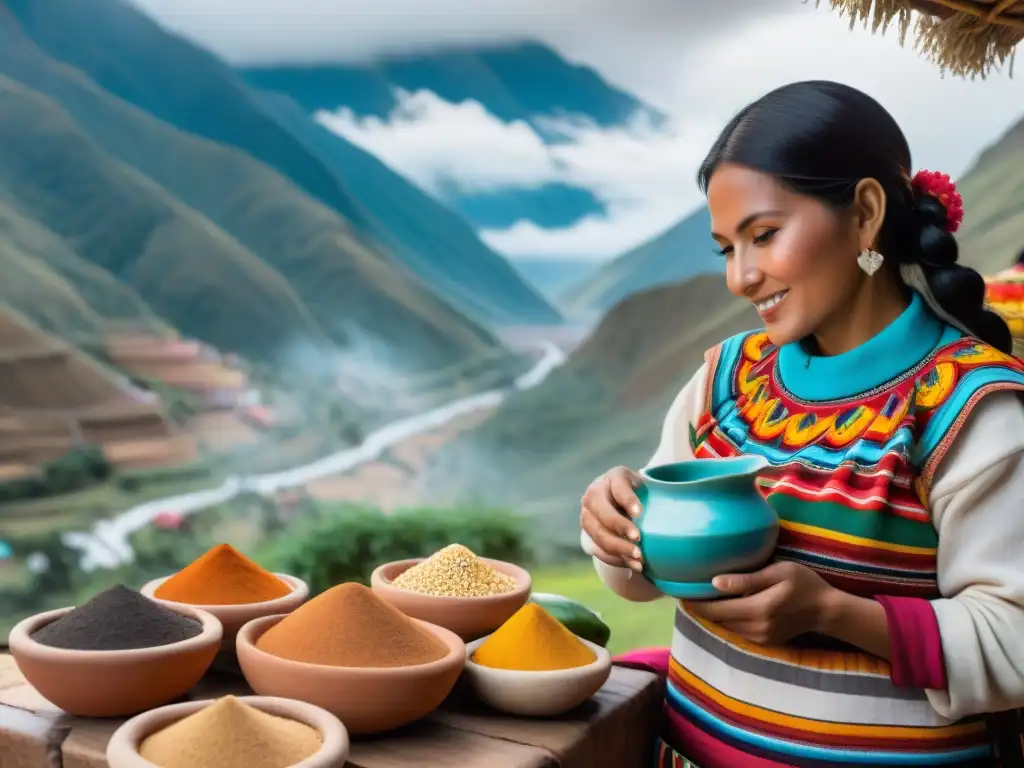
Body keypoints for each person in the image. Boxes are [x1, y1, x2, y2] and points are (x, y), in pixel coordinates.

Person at [579, 80, 1024, 768]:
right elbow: (640, 579)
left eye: (764, 235)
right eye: (726, 248)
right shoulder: (725, 379)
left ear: (866, 214)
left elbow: (1015, 643)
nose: (741, 278)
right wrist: (616, 529)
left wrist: (836, 613)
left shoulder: (970, 409)